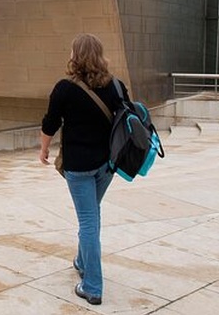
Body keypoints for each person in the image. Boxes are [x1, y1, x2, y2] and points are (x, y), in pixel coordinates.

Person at [38, 33, 129, 306]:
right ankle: (81, 260)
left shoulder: (64, 88)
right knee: (92, 214)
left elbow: (50, 122)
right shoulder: (116, 85)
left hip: (78, 167)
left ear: (74, 55)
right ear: (100, 55)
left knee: (88, 221)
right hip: (107, 165)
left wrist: (44, 150)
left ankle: (92, 286)